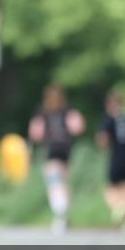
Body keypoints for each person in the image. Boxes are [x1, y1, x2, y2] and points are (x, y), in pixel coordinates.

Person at [28, 84, 85, 235]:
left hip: (52, 149)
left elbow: (35, 133)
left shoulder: (42, 112)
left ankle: (59, 214)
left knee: (54, 182)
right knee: (63, 182)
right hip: (66, 149)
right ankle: (64, 214)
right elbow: (78, 127)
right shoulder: (67, 110)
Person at [96, 91, 125, 234]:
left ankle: (118, 209)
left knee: (111, 188)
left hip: (116, 157)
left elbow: (102, 140)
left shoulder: (108, 120)